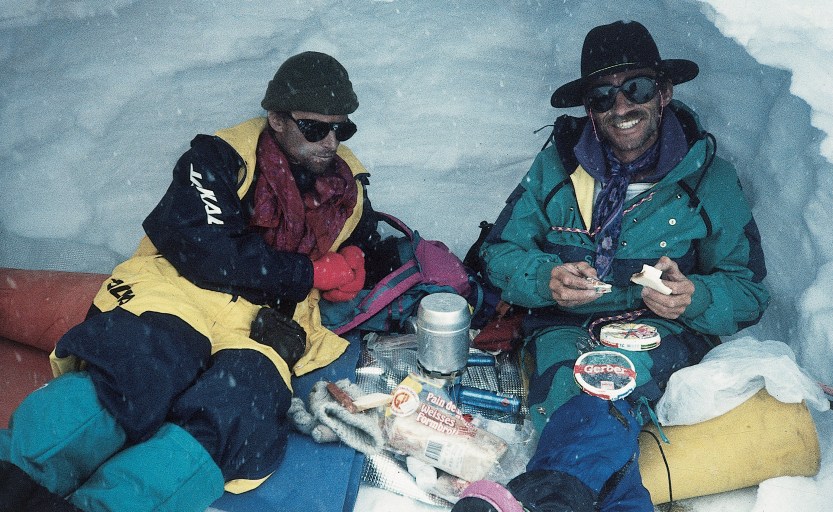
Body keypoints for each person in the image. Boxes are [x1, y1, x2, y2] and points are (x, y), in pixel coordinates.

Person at [0, 51, 382, 512]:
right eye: (315, 128)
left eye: (342, 129)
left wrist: (357, 261)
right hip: (180, 294)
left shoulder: (346, 185)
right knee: (139, 369)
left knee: (239, 412)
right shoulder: (218, 159)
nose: (331, 142)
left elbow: (365, 238)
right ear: (277, 120)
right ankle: (14, 482)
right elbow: (210, 252)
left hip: (267, 324)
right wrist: (311, 273)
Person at [453, 21, 769, 512]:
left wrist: (696, 296)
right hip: (564, 324)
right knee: (568, 397)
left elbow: (749, 292)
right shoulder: (558, 168)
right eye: (603, 96)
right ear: (589, 108)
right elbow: (498, 253)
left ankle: (548, 500)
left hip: (662, 329)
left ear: (663, 93)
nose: (621, 107)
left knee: (606, 389)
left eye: (636, 88)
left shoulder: (708, 179)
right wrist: (545, 280)